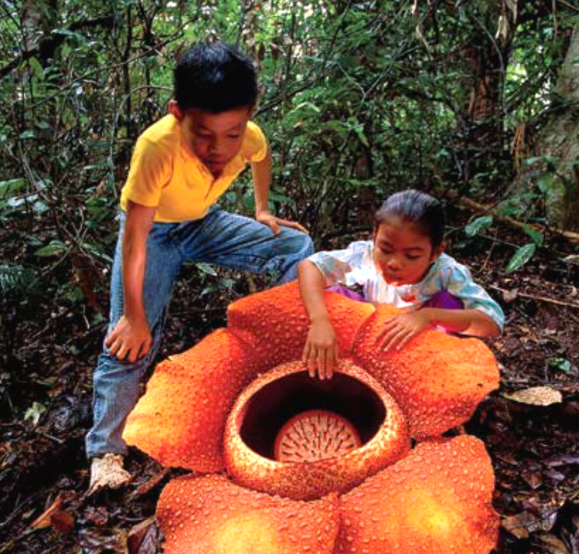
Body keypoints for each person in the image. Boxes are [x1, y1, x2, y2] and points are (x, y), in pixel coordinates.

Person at [86, 42, 313, 493]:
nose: (219, 148)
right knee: (129, 342)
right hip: (153, 235)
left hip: (201, 222)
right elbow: (134, 242)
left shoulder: (249, 135)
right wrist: (133, 316)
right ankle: (105, 452)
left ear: (248, 115)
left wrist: (263, 209)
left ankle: (283, 348)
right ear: (177, 113)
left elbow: (260, 157)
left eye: (232, 133)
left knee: (295, 245)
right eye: (204, 134)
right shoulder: (156, 147)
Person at [298, 189, 504, 380]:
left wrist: (428, 316)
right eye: (385, 250)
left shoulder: (447, 272)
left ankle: (432, 375)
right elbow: (311, 266)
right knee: (333, 295)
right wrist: (320, 321)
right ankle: (331, 358)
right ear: (374, 237)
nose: (394, 263)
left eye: (412, 256)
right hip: (373, 336)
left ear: (436, 252)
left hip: (425, 345)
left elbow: (492, 322)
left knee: (450, 303)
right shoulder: (366, 255)